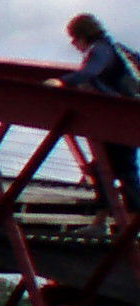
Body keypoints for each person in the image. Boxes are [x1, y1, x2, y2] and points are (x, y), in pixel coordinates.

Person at [57, 12, 140, 201]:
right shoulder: (119, 49)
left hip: (118, 119)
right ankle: (104, 220)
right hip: (128, 115)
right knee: (105, 168)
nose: (73, 44)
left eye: (73, 38)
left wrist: (62, 81)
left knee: (122, 170)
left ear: (82, 36)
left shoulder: (100, 50)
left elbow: (89, 73)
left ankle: (127, 224)